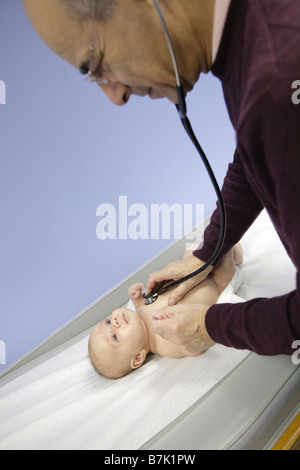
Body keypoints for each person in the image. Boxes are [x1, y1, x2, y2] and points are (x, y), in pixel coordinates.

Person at [22, 0, 300, 357]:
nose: (115, 96)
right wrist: (208, 252)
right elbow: (255, 155)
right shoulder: (259, 48)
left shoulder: (275, 84)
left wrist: (210, 327)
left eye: (97, 66)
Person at [89, 244, 243, 378]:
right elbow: (193, 347)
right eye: (115, 336)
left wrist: (138, 300)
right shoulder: (164, 344)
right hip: (216, 283)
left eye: (108, 321)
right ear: (138, 358)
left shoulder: (139, 314)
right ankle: (237, 252)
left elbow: (145, 302)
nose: (114, 322)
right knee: (226, 253)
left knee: (194, 248)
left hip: (191, 270)